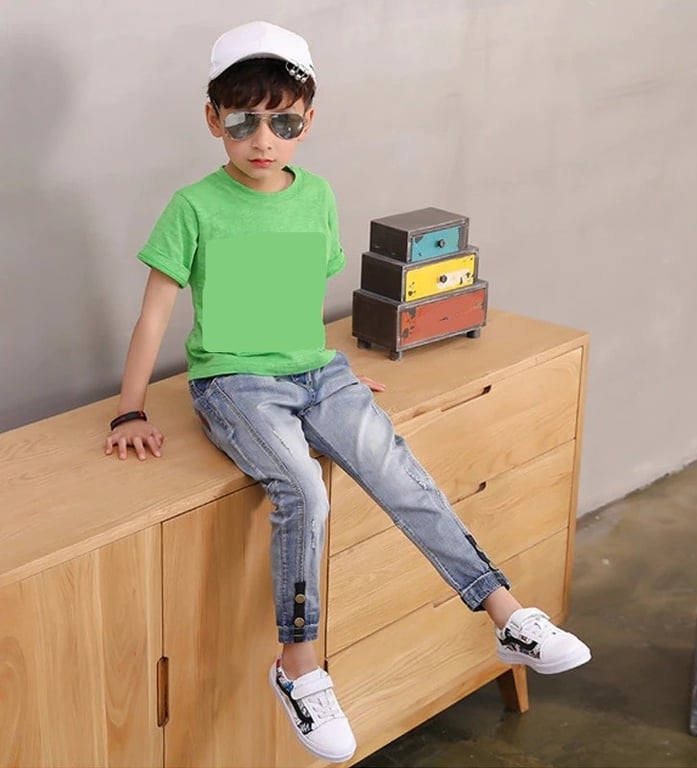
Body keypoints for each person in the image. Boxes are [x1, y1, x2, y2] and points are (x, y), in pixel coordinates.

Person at [105, 20, 591, 764]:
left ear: (308, 119)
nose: (262, 140)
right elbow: (154, 316)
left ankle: (506, 614)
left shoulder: (319, 196)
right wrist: (130, 408)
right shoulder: (193, 207)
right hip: (234, 382)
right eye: (242, 121)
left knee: (399, 472)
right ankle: (298, 666)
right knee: (303, 487)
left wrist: (330, 379)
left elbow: (291, 295)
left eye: (283, 122)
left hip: (317, 372)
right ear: (212, 119)